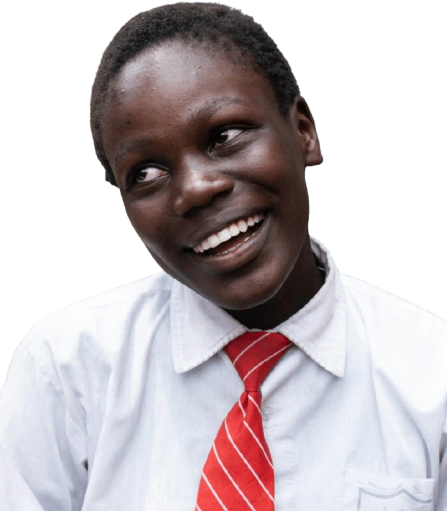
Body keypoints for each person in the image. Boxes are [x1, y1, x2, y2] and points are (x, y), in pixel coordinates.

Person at [1, 2, 446, 510]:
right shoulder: (66, 369)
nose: (195, 190)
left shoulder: (434, 377)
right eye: (145, 172)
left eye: (225, 136)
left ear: (304, 131)